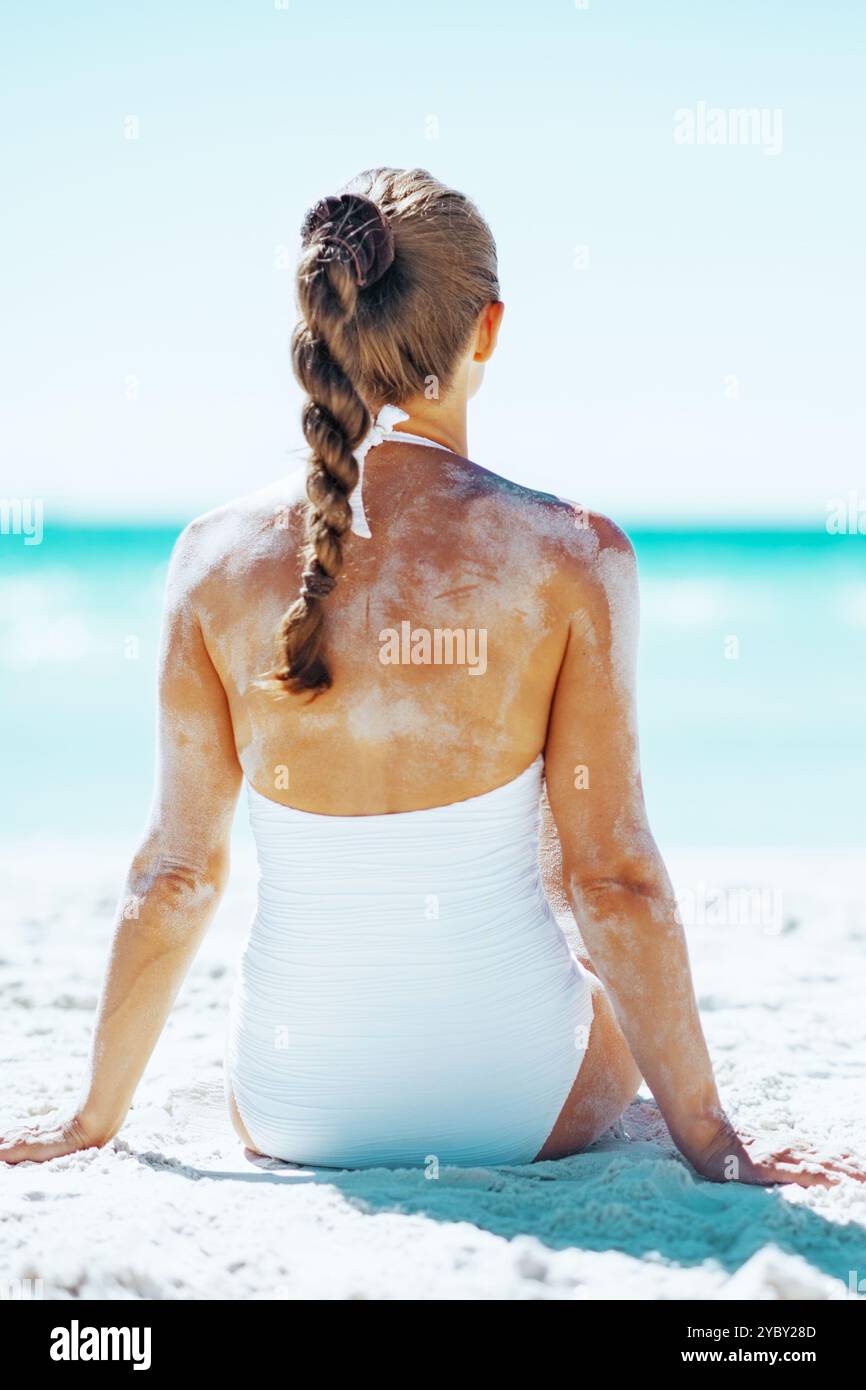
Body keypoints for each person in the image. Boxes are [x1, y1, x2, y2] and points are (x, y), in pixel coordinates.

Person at [2, 168, 857, 1186]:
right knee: (559, 870)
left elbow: (176, 874)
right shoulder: (567, 554)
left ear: (323, 322)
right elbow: (612, 880)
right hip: (520, 1102)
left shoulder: (208, 560)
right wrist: (714, 1143)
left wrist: (91, 1118)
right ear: (484, 329)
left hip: (290, 1103)